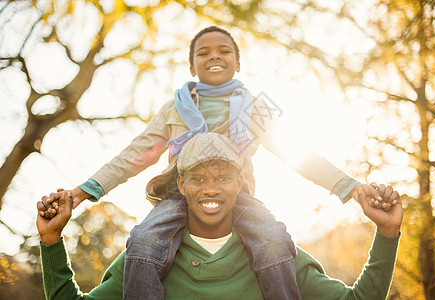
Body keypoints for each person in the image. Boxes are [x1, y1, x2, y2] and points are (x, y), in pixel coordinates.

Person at [38, 26, 395, 299]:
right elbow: (134, 155)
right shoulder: (175, 108)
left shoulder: (256, 109)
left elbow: (300, 155)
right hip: (178, 199)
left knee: (272, 238)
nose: (215, 56)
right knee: (144, 240)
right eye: (204, 51)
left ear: (238, 62)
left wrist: (351, 187)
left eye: (225, 50)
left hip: (240, 199)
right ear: (192, 65)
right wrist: (83, 192)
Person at [37, 132, 403, 300]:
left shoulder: (274, 254)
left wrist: (386, 234)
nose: (210, 188)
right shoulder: (145, 258)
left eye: (223, 177)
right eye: (198, 178)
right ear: (181, 185)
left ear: (240, 183)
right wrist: (51, 242)